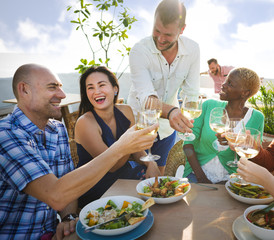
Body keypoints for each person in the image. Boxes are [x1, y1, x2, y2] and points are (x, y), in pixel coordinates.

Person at [0, 64, 158, 239]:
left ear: (115, 89)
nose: (62, 95)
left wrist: (69, 216)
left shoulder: (57, 129)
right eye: (53, 87)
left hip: (57, 231)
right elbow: (55, 195)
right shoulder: (6, 134)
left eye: (60, 87)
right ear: (24, 90)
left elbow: (67, 181)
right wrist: (122, 146)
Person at [127, 0, 200, 175]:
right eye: (156, 30)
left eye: (167, 34)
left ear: (182, 30)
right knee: (136, 177)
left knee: (160, 177)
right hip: (139, 123)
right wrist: (173, 111)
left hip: (168, 129)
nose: (160, 39)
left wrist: (187, 120)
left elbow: (192, 93)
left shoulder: (192, 50)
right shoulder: (139, 51)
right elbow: (146, 99)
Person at [74, 66, 161, 208]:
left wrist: (150, 163)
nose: (97, 91)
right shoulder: (85, 123)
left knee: (159, 192)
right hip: (98, 187)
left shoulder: (126, 111)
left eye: (102, 85)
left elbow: (136, 148)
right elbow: (112, 166)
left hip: (125, 177)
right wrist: (131, 144)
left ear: (115, 89)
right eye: (90, 88)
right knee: (146, 203)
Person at [183, 67, 264, 183]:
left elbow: (254, 156)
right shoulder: (208, 106)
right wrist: (201, 178)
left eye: (230, 84)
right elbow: (188, 143)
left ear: (245, 93)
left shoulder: (257, 117)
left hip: (232, 178)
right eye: (225, 80)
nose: (223, 85)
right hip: (196, 174)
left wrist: (236, 146)